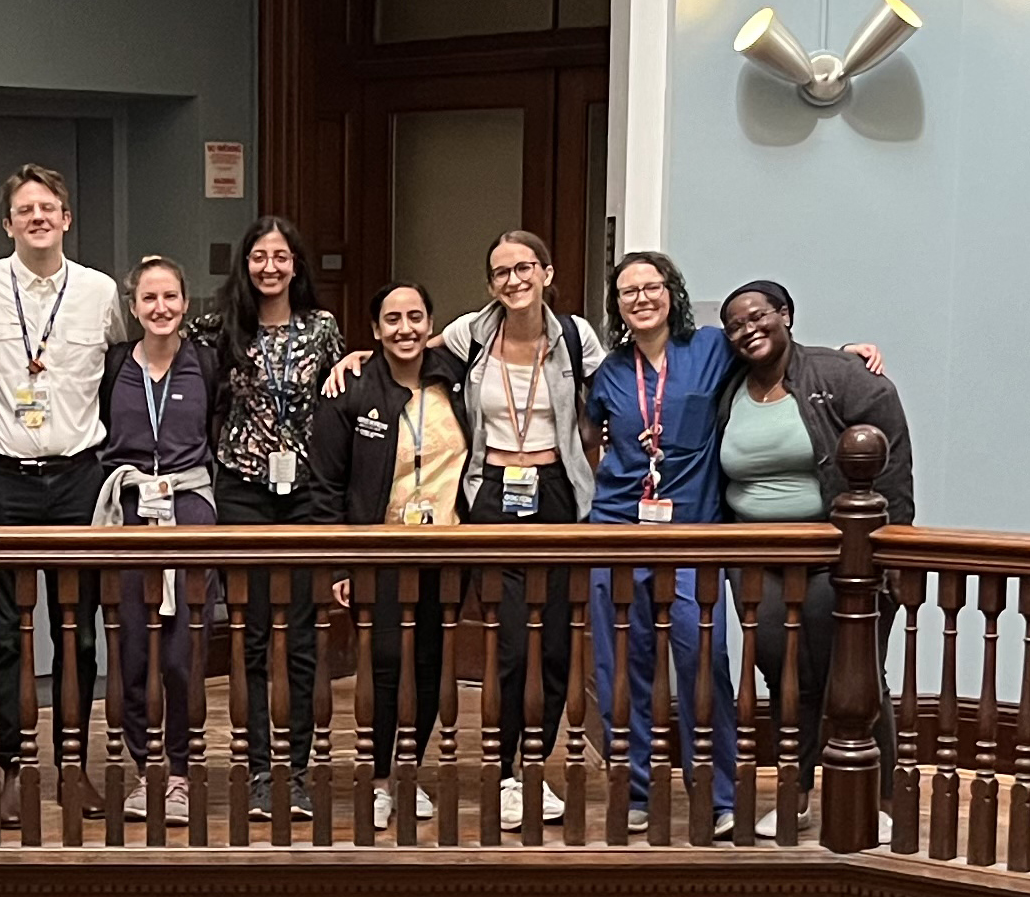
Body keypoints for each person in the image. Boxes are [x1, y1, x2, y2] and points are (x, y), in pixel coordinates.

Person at [583, 252, 883, 839]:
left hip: (696, 532)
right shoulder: (610, 371)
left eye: (652, 286)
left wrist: (847, 356)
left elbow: (773, 351)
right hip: (618, 530)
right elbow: (593, 433)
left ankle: (718, 793)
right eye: (627, 292)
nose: (641, 298)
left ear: (672, 292)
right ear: (615, 306)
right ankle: (638, 789)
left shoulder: (713, 348)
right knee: (624, 664)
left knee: (704, 664)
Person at [0, 163, 129, 825]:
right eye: (25, 209)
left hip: (78, 476)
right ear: (6, 223)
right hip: (0, 477)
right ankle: (7, 768)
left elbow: (120, 365)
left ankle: (73, 766)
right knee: (1, 634)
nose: (37, 218)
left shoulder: (99, 292)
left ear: (66, 217)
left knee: (77, 633)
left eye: (48, 207)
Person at [716, 279, 907, 843]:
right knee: (784, 679)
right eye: (735, 324)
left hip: (837, 555)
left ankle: (879, 799)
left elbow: (892, 461)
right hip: (756, 559)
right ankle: (796, 796)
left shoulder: (837, 375)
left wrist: (890, 544)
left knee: (856, 677)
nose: (748, 329)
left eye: (759, 316)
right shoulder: (730, 386)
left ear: (786, 315)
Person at [435, 231, 605, 830]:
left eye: (524, 267)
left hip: (557, 493)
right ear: (490, 284)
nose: (514, 280)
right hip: (492, 495)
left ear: (547, 272)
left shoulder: (577, 338)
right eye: (501, 271)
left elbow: (623, 391)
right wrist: (355, 359)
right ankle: (502, 772)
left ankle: (536, 767)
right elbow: (405, 358)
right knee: (510, 644)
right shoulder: (470, 335)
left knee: (555, 644)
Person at [187, 215, 345, 820]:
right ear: (246, 265)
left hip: (305, 492)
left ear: (296, 264)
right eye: (259, 257)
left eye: (281, 256)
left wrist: (356, 358)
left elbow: (345, 381)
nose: (270, 267)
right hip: (244, 490)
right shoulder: (221, 328)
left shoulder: (323, 328)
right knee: (251, 637)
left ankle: (298, 771)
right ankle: (257, 771)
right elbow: (163, 338)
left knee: (303, 638)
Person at [309, 282, 467, 830]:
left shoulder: (456, 377)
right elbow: (326, 485)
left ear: (431, 323)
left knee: (428, 663)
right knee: (383, 666)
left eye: (416, 317)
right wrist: (341, 562)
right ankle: (377, 778)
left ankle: (408, 771)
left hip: (446, 546)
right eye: (392, 319)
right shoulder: (349, 388)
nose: (405, 329)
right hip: (377, 550)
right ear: (374, 330)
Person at [92, 255, 221, 826]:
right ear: (134, 307)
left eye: (170, 297)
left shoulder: (208, 365)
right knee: (133, 651)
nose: (161, 308)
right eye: (149, 299)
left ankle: (181, 772)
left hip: (190, 509)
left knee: (182, 652)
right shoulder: (115, 364)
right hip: (128, 511)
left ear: (185, 304)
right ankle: (144, 771)